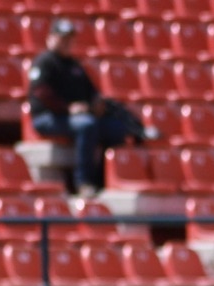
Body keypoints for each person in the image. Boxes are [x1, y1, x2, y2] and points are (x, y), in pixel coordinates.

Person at [26, 17, 140, 196]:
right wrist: (68, 108)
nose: (66, 42)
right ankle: (83, 182)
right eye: (62, 37)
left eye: (69, 38)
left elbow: (92, 91)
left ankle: (102, 179)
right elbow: (41, 93)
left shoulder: (74, 65)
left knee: (116, 129)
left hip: (75, 117)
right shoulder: (44, 61)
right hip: (48, 118)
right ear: (51, 38)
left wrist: (97, 104)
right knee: (86, 125)